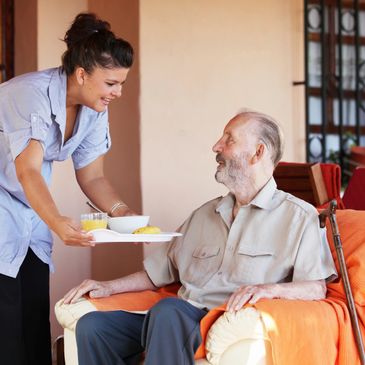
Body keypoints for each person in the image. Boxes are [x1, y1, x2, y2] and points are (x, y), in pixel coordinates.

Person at [63, 110, 337, 365]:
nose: (216, 146)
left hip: (225, 320)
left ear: (258, 153)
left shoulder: (299, 217)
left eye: (228, 139)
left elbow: (315, 288)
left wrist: (270, 290)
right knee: (93, 327)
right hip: (177, 319)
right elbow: (158, 272)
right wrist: (108, 287)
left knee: (169, 311)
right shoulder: (204, 214)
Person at [0, 13, 136, 365]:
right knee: (5, 329)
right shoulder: (29, 94)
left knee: (33, 323)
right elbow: (28, 170)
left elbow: (92, 178)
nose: (118, 92)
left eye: (121, 83)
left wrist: (124, 215)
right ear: (81, 74)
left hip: (31, 210)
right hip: (9, 203)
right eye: (111, 83)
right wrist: (59, 222)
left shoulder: (93, 108)